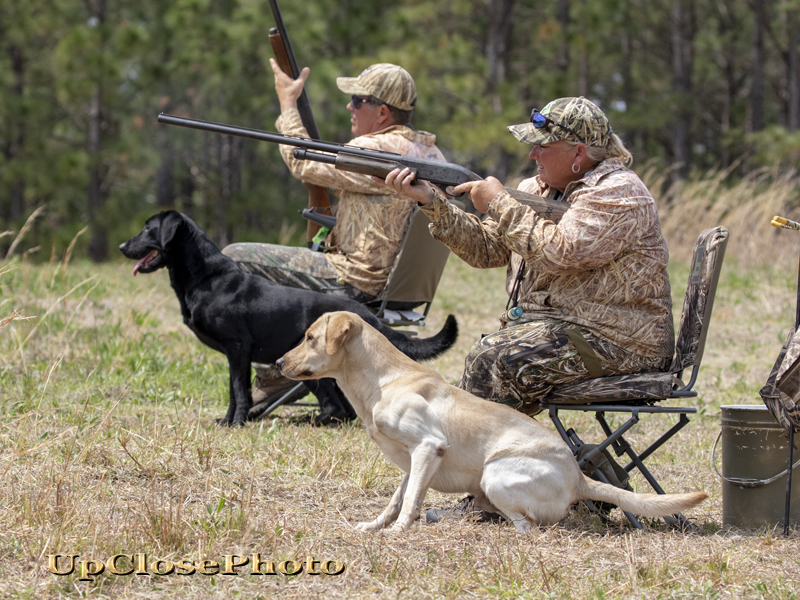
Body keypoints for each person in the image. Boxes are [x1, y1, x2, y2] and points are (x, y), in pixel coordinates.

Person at [381, 96, 675, 521]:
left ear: (578, 153)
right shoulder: (541, 190)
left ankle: (493, 499)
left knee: (497, 359)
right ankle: (507, 486)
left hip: (620, 340)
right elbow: (485, 249)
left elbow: (562, 251)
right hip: (571, 331)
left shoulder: (619, 192)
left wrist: (500, 202)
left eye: (543, 146)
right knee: (497, 353)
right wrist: (431, 202)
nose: (532, 153)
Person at [222, 61, 446, 415]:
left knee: (234, 257)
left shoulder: (375, 150)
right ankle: (285, 369)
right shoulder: (432, 154)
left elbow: (303, 161)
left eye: (357, 100)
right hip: (394, 286)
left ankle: (274, 371)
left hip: (351, 280)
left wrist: (287, 103)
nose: (349, 107)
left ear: (382, 111)